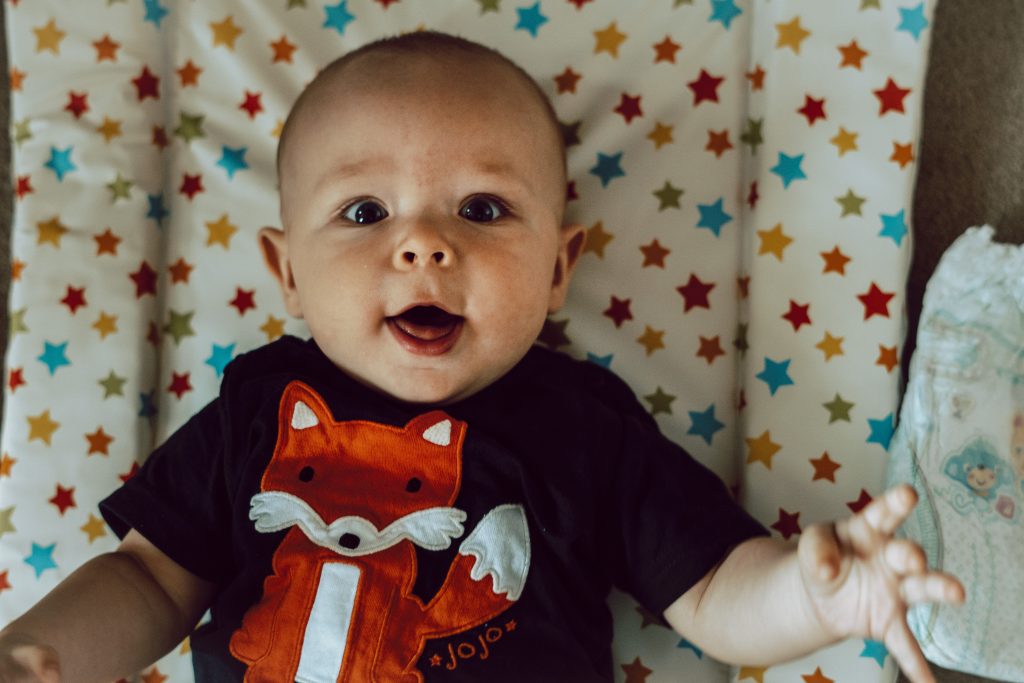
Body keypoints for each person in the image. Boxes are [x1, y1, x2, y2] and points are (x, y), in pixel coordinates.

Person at [0, 32, 963, 683]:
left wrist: (813, 593)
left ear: (557, 269)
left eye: (483, 208)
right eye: (365, 212)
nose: (423, 245)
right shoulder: (261, 410)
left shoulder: (584, 429)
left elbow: (713, 590)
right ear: (286, 271)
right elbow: (147, 578)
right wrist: (37, 653)